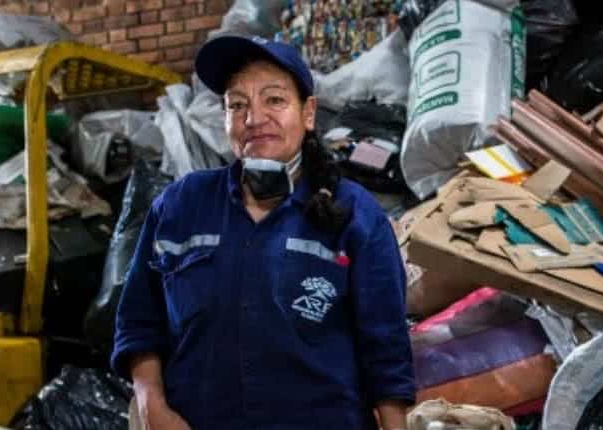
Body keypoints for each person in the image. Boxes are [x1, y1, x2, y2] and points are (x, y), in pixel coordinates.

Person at [111, 36, 415, 429]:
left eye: (274, 100)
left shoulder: (355, 214)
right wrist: (151, 404)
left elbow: (386, 349)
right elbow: (138, 322)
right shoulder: (181, 206)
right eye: (237, 105)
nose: (253, 118)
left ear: (308, 114)